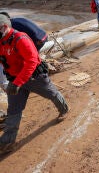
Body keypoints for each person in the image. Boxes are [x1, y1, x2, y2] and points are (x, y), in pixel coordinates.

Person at [0, 15, 69, 154]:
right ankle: (6, 142)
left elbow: (31, 62)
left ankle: (64, 109)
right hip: (15, 80)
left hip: (34, 78)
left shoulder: (21, 39)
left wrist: (18, 82)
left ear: (4, 27)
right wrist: (13, 81)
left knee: (52, 94)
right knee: (14, 110)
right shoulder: (1, 41)